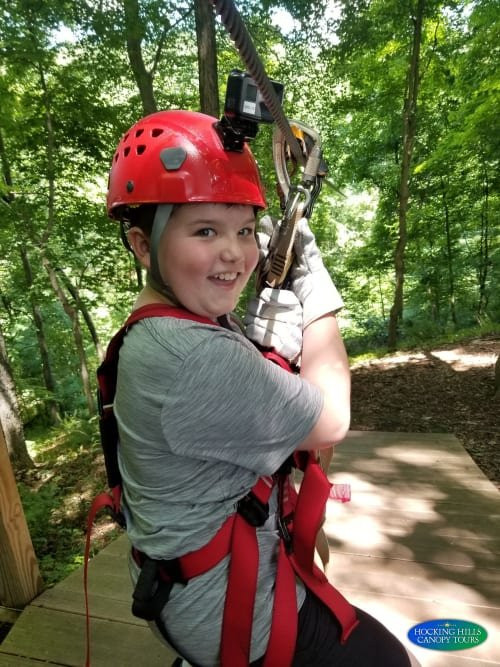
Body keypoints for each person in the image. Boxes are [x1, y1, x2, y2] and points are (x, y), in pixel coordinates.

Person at [106, 109, 418, 666]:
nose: (235, 252)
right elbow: (332, 417)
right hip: (227, 609)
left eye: (245, 230)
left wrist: (260, 352)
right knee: (388, 659)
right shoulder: (192, 354)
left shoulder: (156, 328)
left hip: (175, 581)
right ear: (143, 245)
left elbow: (224, 396)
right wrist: (315, 287)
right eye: (206, 230)